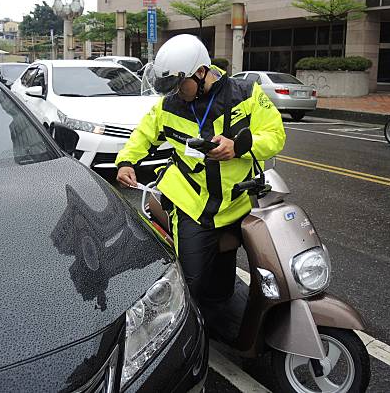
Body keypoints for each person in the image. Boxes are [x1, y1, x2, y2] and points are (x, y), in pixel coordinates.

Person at [116, 34, 285, 313]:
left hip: (238, 202)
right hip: (192, 206)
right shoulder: (169, 104)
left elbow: (275, 135)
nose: (176, 92)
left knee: (246, 279)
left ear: (201, 72)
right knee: (189, 285)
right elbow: (144, 134)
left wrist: (240, 147)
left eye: (180, 84)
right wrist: (126, 162)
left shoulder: (247, 94)